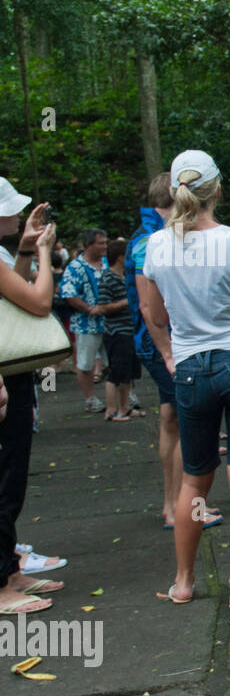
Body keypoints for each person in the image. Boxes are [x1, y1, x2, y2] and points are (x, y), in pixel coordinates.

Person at [139, 150, 230, 608]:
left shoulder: (155, 246)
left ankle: (183, 582)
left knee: (194, 481)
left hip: (192, 369)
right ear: (218, 190)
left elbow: (155, 315)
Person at [128, 173, 223, 531]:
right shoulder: (151, 242)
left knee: (171, 422)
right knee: (187, 427)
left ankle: (172, 505)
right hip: (165, 347)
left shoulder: (147, 236)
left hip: (160, 345)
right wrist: (169, 354)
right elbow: (147, 308)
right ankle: (184, 507)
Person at [0, 183, 65, 614]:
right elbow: (39, 302)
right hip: (5, 377)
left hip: (15, 374)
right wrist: (44, 251)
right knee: (2, 481)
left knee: (12, 477)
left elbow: (17, 289)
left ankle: (9, 568)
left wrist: (24, 249)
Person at [60, 228, 110, 411]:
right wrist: (89, 309)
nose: (105, 246)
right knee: (85, 364)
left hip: (110, 322)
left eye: (106, 243)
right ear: (89, 245)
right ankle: (90, 399)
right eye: (101, 243)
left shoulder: (107, 262)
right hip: (86, 324)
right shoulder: (75, 267)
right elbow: (68, 293)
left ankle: (121, 396)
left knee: (114, 360)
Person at [96, 239, 143, 422]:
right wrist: (128, 301)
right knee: (116, 372)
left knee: (128, 373)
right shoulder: (108, 278)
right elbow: (103, 307)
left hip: (130, 331)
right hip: (117, 332)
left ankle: (125, 408)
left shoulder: (125, 277)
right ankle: (111, 410)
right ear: (120, 257)